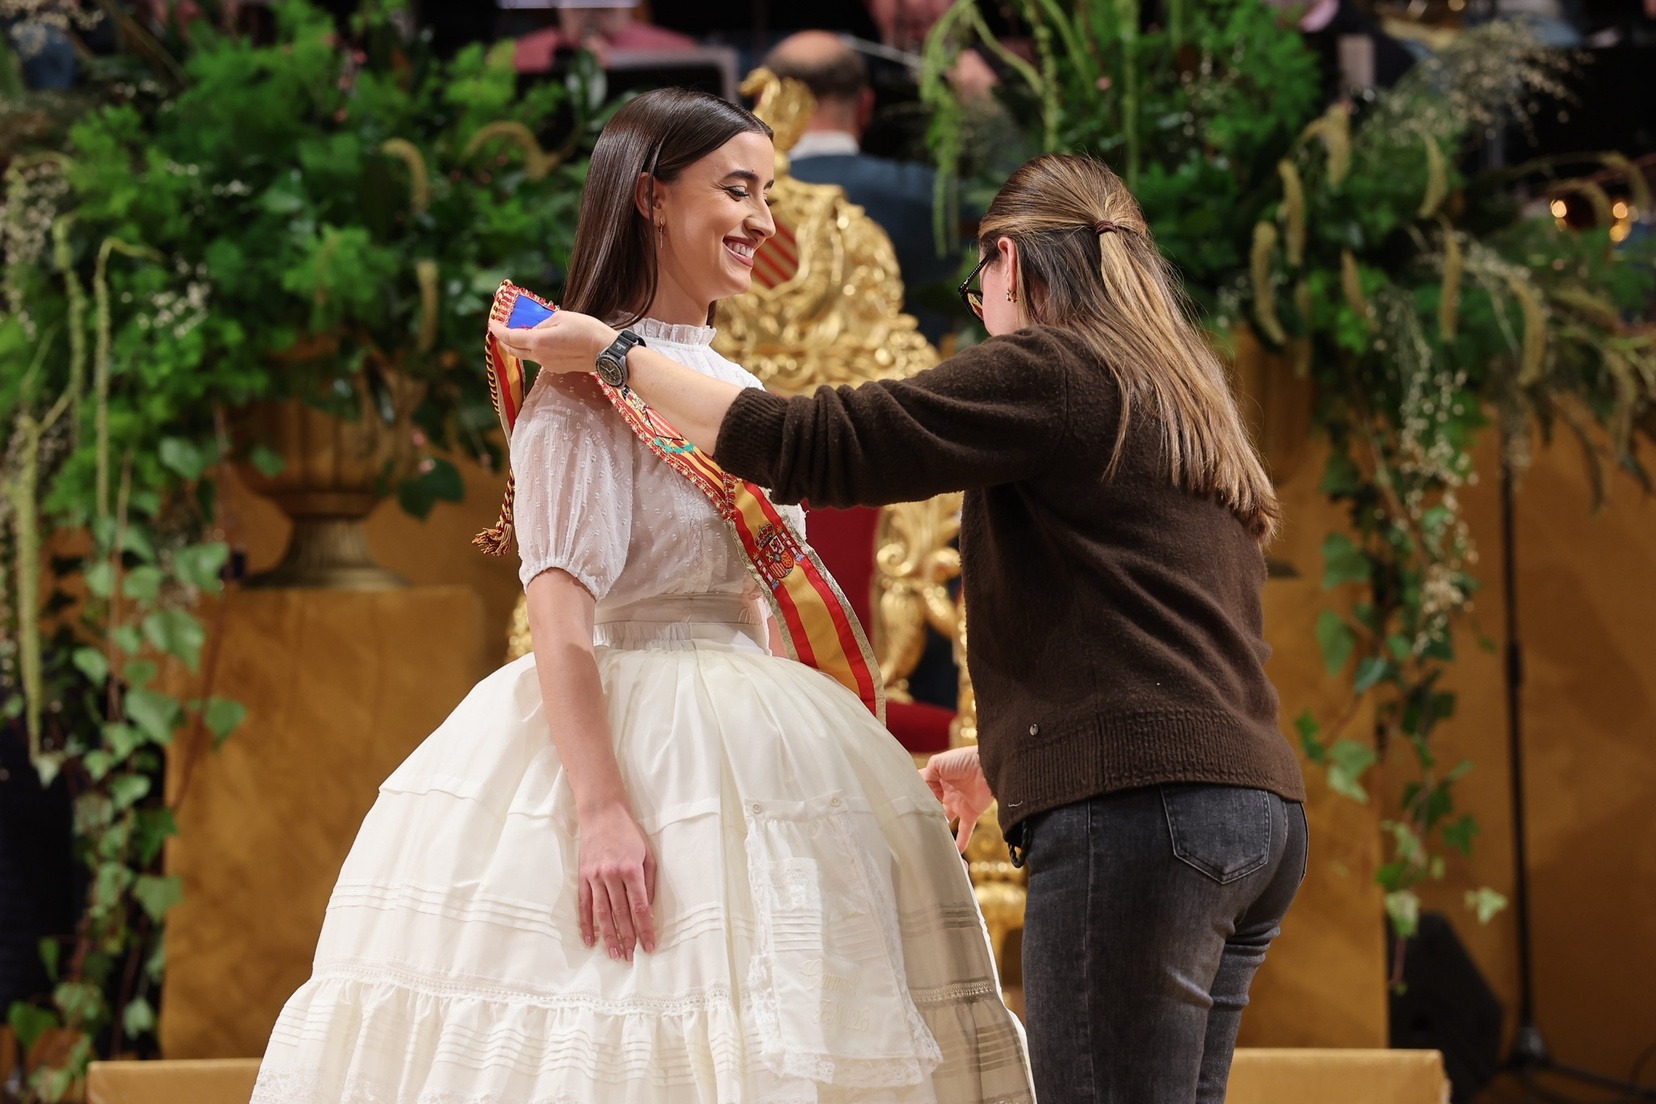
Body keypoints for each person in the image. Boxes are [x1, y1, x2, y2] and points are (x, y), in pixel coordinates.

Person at [252, 89, 1032, 1104]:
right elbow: (560, 621)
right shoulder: (577, 387)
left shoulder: (730, 383)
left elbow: (762, 599)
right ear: (652, 198)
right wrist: (603, 811)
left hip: (759, 730)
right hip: (627, 735)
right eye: (737, 191)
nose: (763, 220)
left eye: (767, 194)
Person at [495, 151, 1311, 1104]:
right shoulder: (1180, 390)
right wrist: (1009, 753)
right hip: (1256, 811)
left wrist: (616, 355)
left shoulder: (1053, 368)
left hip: (1145, 813)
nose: (982, 309)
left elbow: (816, 444)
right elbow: (1157, 621)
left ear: (1010, 262)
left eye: (979, 287)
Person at [761, 30, 966, 344]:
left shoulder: (731, 198)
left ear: (765, 101)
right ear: (866, 105)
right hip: (910, 372)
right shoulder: (933, 198)